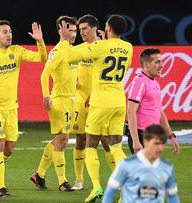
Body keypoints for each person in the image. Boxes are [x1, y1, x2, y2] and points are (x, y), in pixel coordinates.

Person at [58, 14, 133, 202]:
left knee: (91, 145)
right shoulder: (128, 47)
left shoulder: (99, 46)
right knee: (116, 146)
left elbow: (70, 57)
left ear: (107, 28)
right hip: (119, 101)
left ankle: (97, 186)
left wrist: (66, 39)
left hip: (100, 102)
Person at [0, 20, 47, 197]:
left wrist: (40, 41)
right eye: (5, 32)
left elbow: (41, 57)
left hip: (12, 107)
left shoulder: (17, 51)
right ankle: (2, 187)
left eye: (10, 31)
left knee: (10, 148)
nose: (9, 35)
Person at [30, 15, 78, 192]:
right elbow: (44, 74)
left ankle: (40, 174)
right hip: (59, 100)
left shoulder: (72, 50)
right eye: (69, 30)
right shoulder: (57, 51)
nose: (73, 34)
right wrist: (46, 95)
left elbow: (72, 75)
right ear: (60, 30)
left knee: (59, 139)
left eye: (74, 30)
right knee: (63, 140)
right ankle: (62, 182)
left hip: (71, 100)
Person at [70, 14, 115, 191]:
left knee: (106, 140)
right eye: (80, 29)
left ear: (95, 29)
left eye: (85, 29)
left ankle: (116, 178)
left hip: (99, 100)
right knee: (80, 139)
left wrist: (95, 93)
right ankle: (79, 180)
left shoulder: (105, 48)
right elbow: (66, 65)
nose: (81, 32)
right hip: (80, 101)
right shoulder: (79, 49)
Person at [102, 124, 180, 203]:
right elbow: (109, 192)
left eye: (162, 144)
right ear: (145, 142)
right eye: (156, 143)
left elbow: (173, 196)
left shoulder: (167, 167)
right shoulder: (126, 165)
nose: (160, 148)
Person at [127, 48, 180, 155]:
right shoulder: (139, 82)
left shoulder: (154, 83)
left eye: (161, 61)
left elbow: (159, 111)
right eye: (157, 62)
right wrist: (136, 141)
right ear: (146, 64)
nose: (161, 65)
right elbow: (130, 112)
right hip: (142, 136)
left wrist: (171, 136)